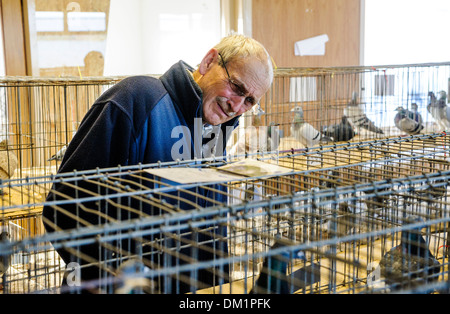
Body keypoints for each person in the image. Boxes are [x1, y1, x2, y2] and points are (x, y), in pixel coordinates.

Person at [42, 34, 274, 293]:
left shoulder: (217, 129)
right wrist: (116, 278)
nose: (237, 106)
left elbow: (210, 228)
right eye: (237, 88)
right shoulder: (136, 98)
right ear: (209, 62)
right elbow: (62, 207)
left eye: (250, 101)